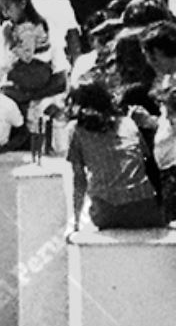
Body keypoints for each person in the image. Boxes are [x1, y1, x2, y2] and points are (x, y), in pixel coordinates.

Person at [66, 79, 163, 229]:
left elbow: (79, 180)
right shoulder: (128, 123)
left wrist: (76, 223)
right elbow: (147, 159)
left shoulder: (75, 130)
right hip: (145, 209)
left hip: (107, 212)